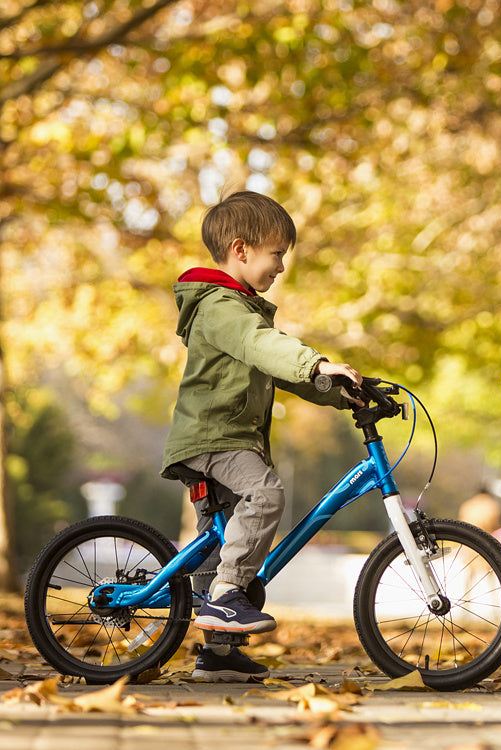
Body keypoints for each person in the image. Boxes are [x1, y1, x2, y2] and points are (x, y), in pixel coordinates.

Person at [161, 190, 363, 682]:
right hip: (215, 438)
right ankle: (226, 595)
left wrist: (343, 392)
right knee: (266, 494)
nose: (282, 266)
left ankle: (218, 654)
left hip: (225, 439)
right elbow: (261, 345)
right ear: (241, 250)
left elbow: (277, 368)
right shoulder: (221, 306)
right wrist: (315, 361)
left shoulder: (237, 306)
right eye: (277, 254)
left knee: (220, 547)